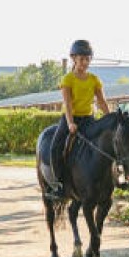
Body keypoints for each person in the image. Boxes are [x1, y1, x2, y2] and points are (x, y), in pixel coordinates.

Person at [44, 40, 110, 199]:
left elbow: (101, 102)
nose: (85, 62)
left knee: (105, 145)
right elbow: (67, 103)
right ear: (74, 58)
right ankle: (59, 185)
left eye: (88, 59)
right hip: (70, 119)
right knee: (55, 147)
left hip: (88, 119)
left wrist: (110, 117)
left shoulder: (94, 79)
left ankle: (111, 179)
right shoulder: (68, 79)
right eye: (82, 59)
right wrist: (70, 123)